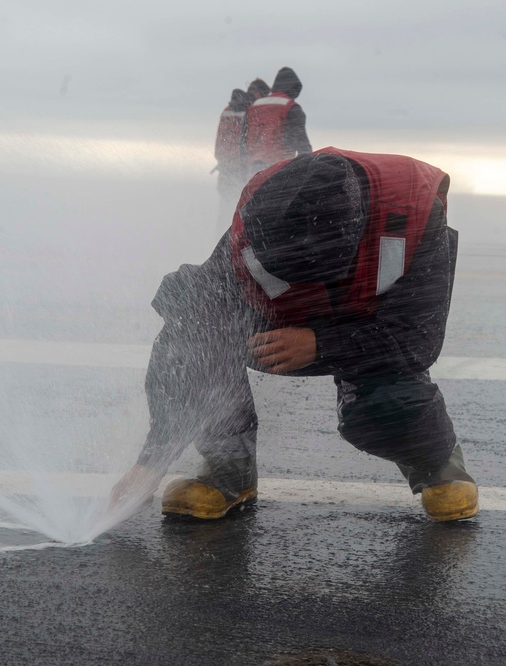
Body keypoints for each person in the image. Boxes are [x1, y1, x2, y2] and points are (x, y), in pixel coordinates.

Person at [110, 147, 478, 523]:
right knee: (196, 339)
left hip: (368, 332)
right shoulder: (260, 213)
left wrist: (320, 345)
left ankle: (438, 465)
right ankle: (229, 472)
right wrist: (151, 463)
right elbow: (195, 320)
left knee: (387, 403)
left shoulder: (414, 212)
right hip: (279, 332)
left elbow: (419, 339)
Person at [214, 79, 270, 229]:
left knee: (225, 207)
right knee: (242, 210)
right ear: (258, 94)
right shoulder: (251, 110)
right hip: (241, 168)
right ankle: (235, 244)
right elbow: (248, 141)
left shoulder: (227, 109)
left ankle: (218, 242)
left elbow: (220, 139)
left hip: (225, 166)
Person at [242, 67, 313, 177]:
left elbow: (243, 140)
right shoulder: (290, 107)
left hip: (253, 168)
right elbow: (301, 142)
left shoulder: (253, 107)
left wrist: (242, 167)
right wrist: (307, 170)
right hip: (280, 168)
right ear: (294, 88)